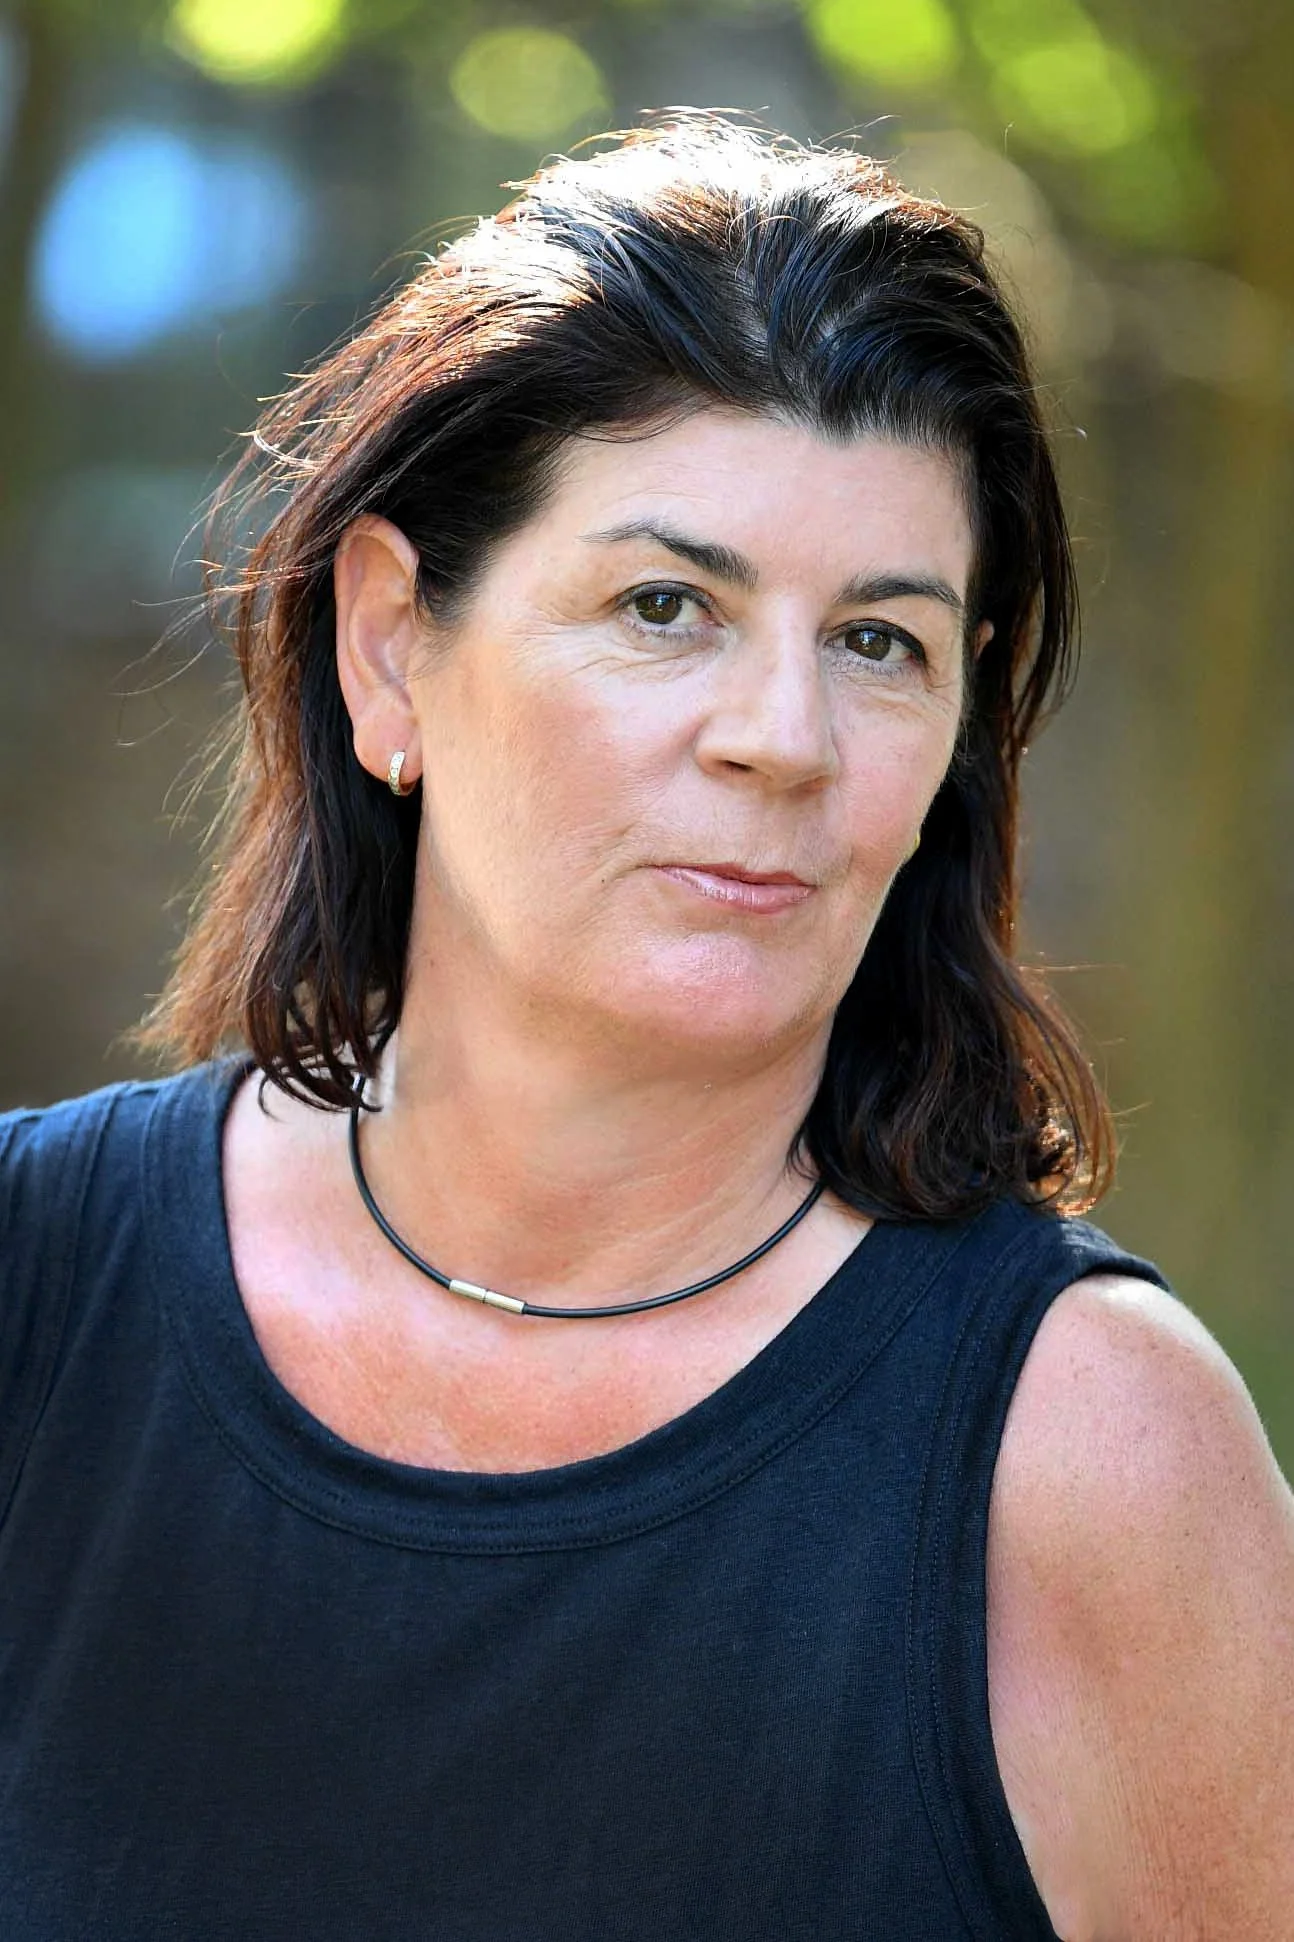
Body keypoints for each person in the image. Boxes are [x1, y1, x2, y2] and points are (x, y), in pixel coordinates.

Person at [1, 111, 1290, 1940]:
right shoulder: (32, 1291)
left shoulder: (1095, 1458)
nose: (782, 737)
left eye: (879, 641)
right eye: (665, 605)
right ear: (389, 645)